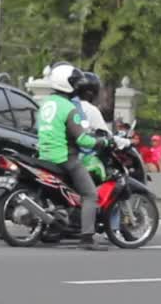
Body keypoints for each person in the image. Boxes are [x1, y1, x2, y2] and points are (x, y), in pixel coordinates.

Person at [38, 62, 112, 251]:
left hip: (44, 155)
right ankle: (87, 238)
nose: (78, 86)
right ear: (67, 83)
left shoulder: (46, 104)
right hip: (64, 158)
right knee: (90, 194)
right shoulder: (69, 108)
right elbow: (82, 139)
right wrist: (101, 142)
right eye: (75, 82)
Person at [71, 72, 110, 182]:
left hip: (51, 155)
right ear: (91, 93)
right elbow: (106, 134)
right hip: (77, 158)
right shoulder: (90, 110)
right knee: (92, 193)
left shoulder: (63, 104)